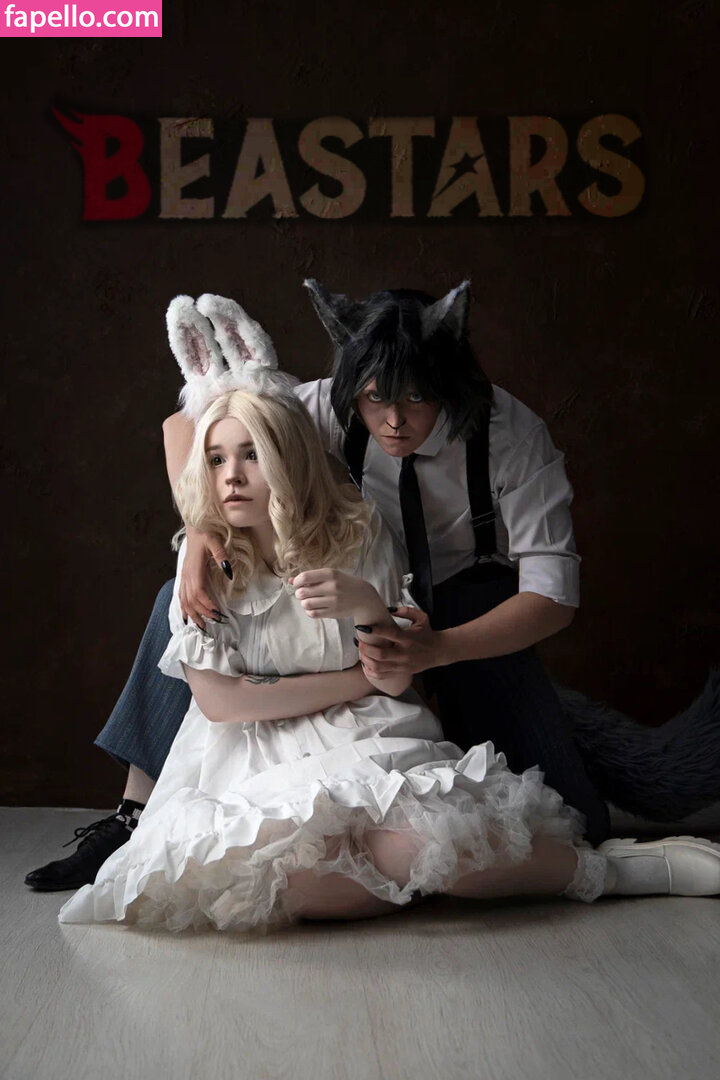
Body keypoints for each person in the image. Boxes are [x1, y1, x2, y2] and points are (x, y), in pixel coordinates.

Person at [27, 285, 719, 893]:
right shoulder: (331, 405)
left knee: (574, 823)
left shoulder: (512, 436)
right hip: (352, 593)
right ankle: (134, 811)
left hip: (468, 607)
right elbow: (194, 422)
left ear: (450, 383)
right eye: (374, 397)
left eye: (415, 397)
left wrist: (440, 648)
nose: (390, 419)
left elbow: (553, 595)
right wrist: (199, 531)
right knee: (181, 595)